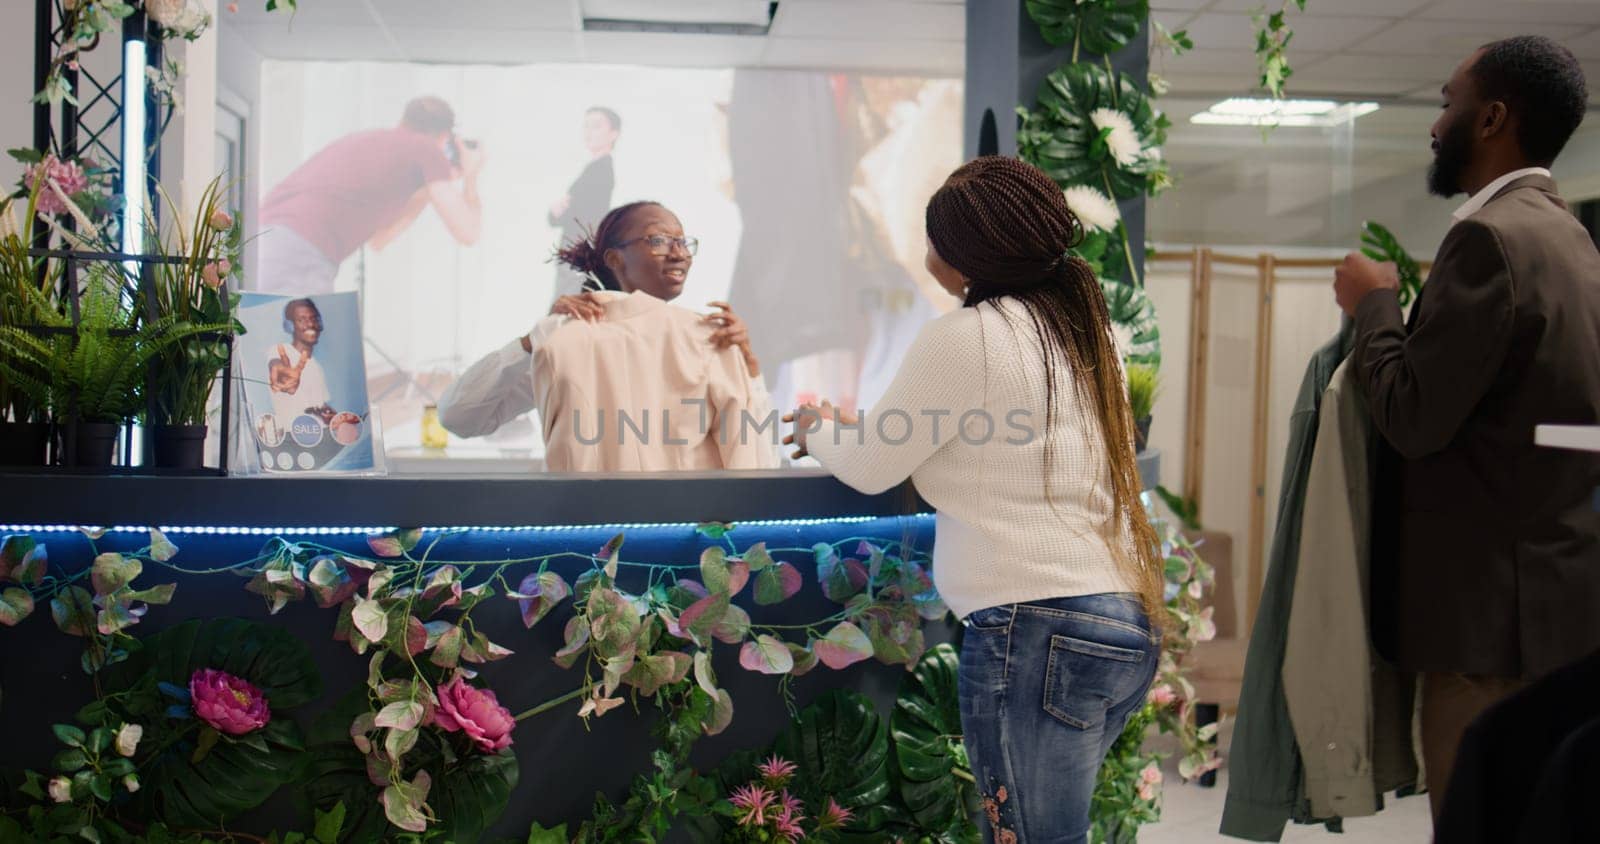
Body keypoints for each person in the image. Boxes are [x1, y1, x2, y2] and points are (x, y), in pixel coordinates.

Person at [785, 156, 1164, 842]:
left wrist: (817, 431)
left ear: (963, 254)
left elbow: (872, 463)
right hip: (1121, 621)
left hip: (1037, 626)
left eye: (934, 237)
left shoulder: (967, 336)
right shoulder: (1084, 332)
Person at [1332, 35, 1600, 824]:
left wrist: (1374, 304)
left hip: (1485, 624)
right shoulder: (1572, 239)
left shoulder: (1489, 239)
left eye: (1447, 102)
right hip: (1554, 609)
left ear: (1490, 118)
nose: (1434, 123)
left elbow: (1413, 416)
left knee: (1476, 816)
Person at [438, 201, 779, 471]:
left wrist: (747, 365)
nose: (678, 252)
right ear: (614, 258)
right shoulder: (565, 339)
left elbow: (458, 417)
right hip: (677, 544)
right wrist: (531, 343)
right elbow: (755, 465)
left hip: (590, 542)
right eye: (658, 240)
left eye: (683, 241)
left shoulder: (712, 338)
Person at [255, 96, 485, 294]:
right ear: (445, 137)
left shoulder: (373, 141)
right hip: (302, 250)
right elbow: (468, 233)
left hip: (264, 238)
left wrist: (427, 191)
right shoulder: (425, 148)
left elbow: (380, 240)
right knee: (297, 342)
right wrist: (472, 176)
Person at [548, 107, 620, 301]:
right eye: (586, 126)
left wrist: (558, 213)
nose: (589, 132)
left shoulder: (601, 170)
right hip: (576, 249)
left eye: (596, 126)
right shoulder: (594, 168)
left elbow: (584, 214)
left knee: (567, 307)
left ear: (613, 134)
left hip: (578, 250)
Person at [268, 298, 336, 426]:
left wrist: (339, 419)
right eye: (302, 319)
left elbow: (320, 405)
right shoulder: (280, 351)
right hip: (292, 438)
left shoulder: (316, 366)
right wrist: (282, 375)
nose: (310, 324)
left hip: (318, 438)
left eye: (314, 319)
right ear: (289, 326)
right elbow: (276, 365)